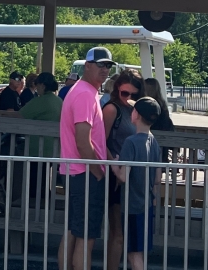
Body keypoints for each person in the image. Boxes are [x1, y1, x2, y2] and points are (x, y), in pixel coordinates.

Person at [58, 47, 113, 270]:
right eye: (100, 64)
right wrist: (98, 173)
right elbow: (83, 141)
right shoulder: (84, 94)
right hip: (85, 173)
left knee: (74, 232)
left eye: (108, 65)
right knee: (86, 237)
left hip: (76, 172)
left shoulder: (83, 91)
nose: (105, 69)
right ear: (87, 66)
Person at [111, 97, 163, 270]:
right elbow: (157, 178)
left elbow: (124, 176)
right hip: (146, 204)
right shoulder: (154, 141)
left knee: (133, 255)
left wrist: (114, 165)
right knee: (139, 252)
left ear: (137, 114)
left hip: (132, 205)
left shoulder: (130, 142)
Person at [103, 72, 142, 270]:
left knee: (128, 231)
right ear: (117, 88)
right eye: (125, 93)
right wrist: (114, 165)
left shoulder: (134, 109)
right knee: (117, 231)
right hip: (115, 175)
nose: (128, 98)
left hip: (131, 176)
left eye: (133, 94)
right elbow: (101, 141)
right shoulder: (111, 109)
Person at [19, 72, 63, 157]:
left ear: (42, 85)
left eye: (37, 84)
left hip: (38, 149)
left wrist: (0, 114)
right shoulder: (59, 101)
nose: (36, 87)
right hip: (54, 147)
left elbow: (20, 115)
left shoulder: (40, 101)